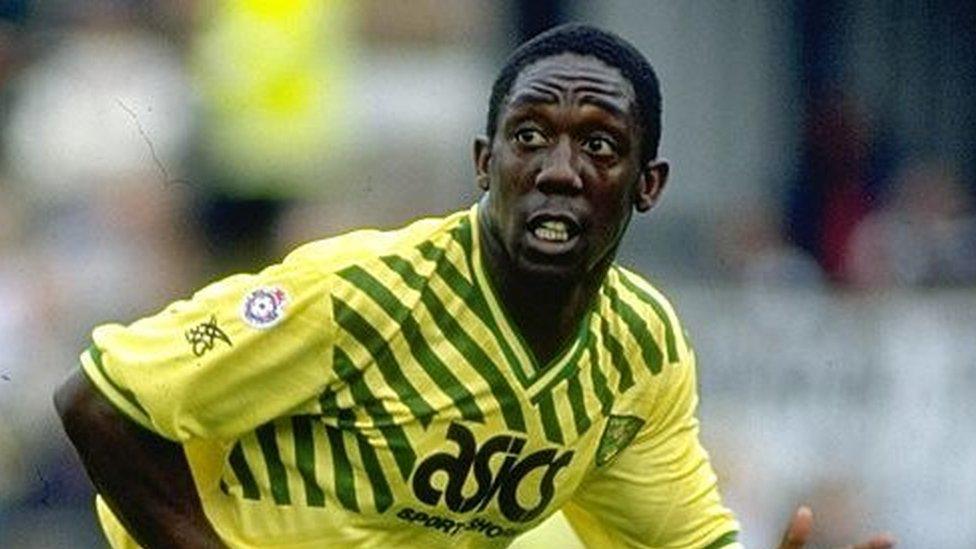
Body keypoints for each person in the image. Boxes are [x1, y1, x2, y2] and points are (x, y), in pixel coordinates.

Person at [54, 24, 894, 549]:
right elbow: (101, 398)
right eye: (530, 136)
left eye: (600, 146)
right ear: (485, 164)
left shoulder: (638, 351)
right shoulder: (361, 295)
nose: (559, 171)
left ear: (649, 183)